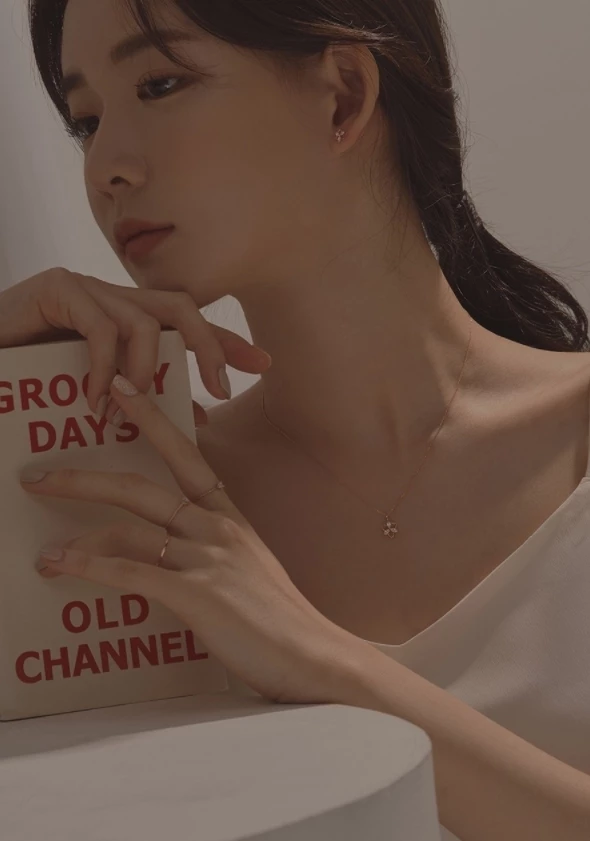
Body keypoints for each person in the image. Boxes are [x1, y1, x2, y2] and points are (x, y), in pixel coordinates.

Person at [5, 0, 590, 837]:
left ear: (343, 94)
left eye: (160, 84)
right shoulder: (134, 503)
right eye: (86, 122)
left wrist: (318, 660)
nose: (106, 167)